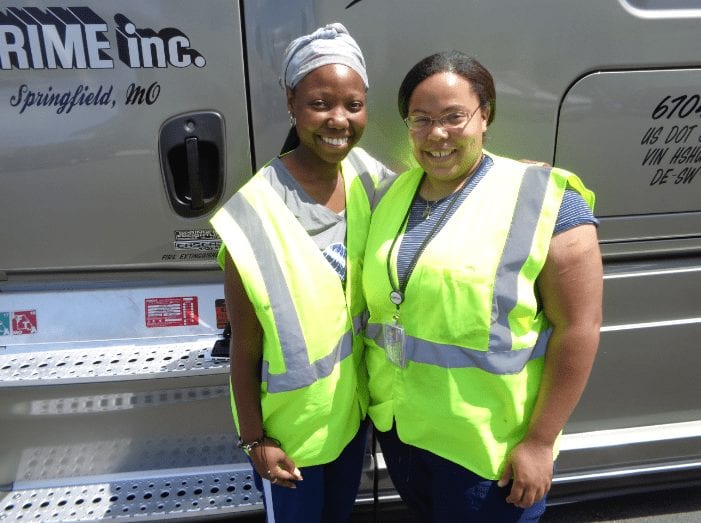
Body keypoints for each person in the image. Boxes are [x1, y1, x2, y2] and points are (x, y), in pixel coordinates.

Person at [362, 51, 603, 522]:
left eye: (455, 117)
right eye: (421, 119)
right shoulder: (393, 195)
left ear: (485, 115)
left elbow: (580, 328)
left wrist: (538, 443)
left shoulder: (548, 201)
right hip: (406, 437)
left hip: (488, 456)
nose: (437, 134)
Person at [210, 23, 393, 523]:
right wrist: (255, 441)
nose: (339, 120)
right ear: (291, 103)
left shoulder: (369, 180)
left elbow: (440, 189)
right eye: (320, 103)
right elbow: (243, 349)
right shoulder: (254, 213)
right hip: (290, 440)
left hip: (350, 421)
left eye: (353, 105)